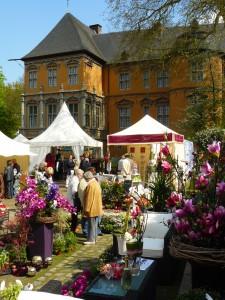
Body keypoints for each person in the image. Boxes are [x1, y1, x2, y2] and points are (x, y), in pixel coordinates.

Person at [80, 167, 103, 238]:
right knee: (94, 225)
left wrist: (86, 209)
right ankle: (94, 238)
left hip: (92, 209)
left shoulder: (90, 185)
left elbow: (89, 198)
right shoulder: (96, 183)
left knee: (91, 226)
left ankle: (91, 239)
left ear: (87, 178)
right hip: (97, 208)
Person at [66, 169, 84, 233]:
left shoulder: (74, 179)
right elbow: (74, 191)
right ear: (78, 174)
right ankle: (73, 228)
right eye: (81, 175)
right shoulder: (75, 181)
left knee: (74, 214)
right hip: (73, 200)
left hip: (72, 200)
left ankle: (74, 226)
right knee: (74, 214)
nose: (82, 176)